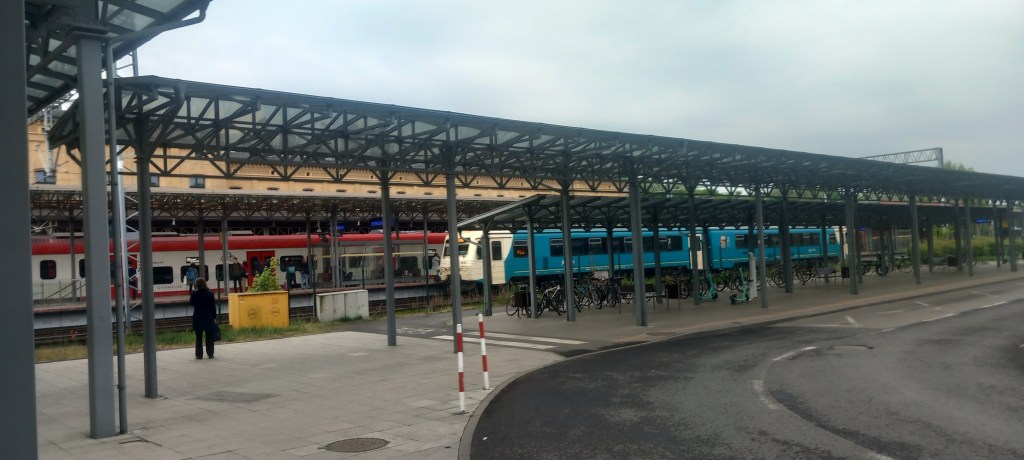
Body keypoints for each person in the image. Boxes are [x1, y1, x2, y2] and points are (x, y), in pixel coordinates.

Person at [190, 278, 217, 359]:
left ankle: (199, 355)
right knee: (209, 337)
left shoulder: (195, 294)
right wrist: (214, 317)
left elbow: (191, 303)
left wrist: (195, 292)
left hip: (198, 318)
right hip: (208, 318)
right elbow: (213, 307)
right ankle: (210, 354)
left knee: (198, 338)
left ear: (196, 285)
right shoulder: (210, 294)